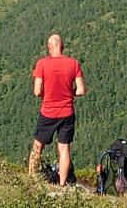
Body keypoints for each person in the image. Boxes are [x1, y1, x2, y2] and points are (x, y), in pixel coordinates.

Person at [29, 33, 86, 186]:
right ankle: (62, 184)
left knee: (38, 145)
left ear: (49, 46)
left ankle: (32, 178)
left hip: (48, 111)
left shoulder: (42, 64)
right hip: (67, 112)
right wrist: (68, 93)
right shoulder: (73, 63)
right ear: (62, 46)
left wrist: (46, 94)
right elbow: (81, 90)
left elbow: (36, 91)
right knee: (64, 148)